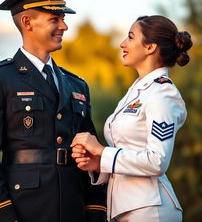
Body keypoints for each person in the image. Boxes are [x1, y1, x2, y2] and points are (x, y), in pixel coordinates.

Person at [0, 0, 106, 222]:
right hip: (26, 211)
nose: (64, 26)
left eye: (63, 19)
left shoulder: (77, 84)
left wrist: (95, 213)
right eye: (55, 19)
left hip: (74, 209)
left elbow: (90, 155)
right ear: (27, 22)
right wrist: (4, 217)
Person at [71, 15, 193, 222]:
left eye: (130, 37)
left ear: (150, 47)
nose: (122, 44)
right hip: (127, 209)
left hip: (151, 210)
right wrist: (99, 162)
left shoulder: (162, 94)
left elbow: (157, 161)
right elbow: (128, 150)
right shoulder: (137, 92)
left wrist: (102, 151)